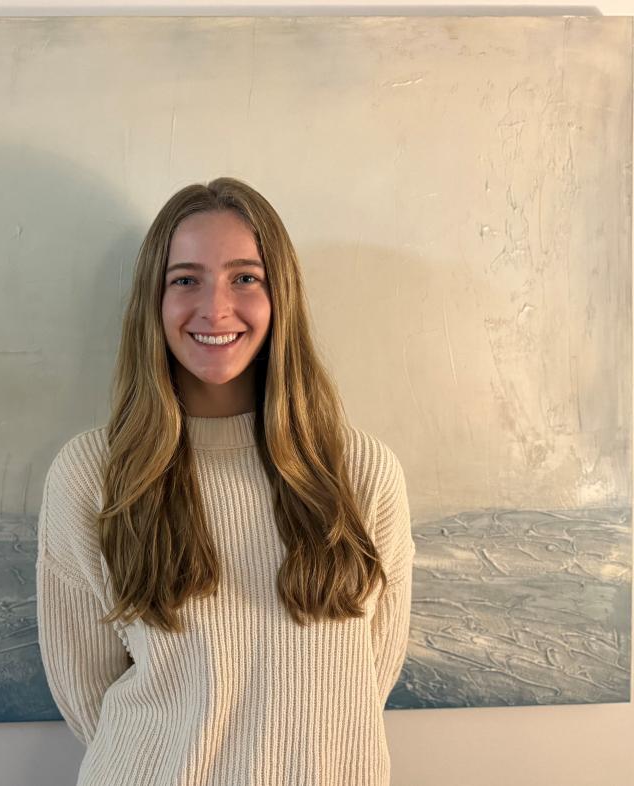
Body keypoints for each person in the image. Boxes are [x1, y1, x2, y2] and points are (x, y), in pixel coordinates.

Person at [35, 176, 415, 786]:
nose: (214, 308)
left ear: (280, 295)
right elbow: (87, 695)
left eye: (245, 278)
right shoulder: (93, 475)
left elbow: (368, 679)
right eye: (185, 280)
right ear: (154, 302)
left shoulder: (361, 473)